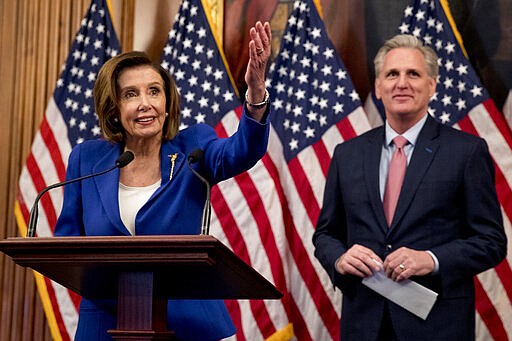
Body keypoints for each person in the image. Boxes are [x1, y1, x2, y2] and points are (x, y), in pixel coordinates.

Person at [54, 21, 272, 341]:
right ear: (114, 109)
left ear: (167, 103)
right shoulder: (87, 160)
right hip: (105, 325)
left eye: (154, 91)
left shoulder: (193, 148)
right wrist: (127, 298)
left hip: (188, 324)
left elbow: (242, 150)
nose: (146, 103)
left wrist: (254, 93)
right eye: (131, 94)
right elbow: (67, 251)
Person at [312, 34, 507, 340]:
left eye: (413, 74)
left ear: (432, 85)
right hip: (364, 325)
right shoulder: (347, 154)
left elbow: (491, 242)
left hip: (438, 326)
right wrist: (339, 258)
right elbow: (325, 234)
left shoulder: (466, 152)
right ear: (378, 86)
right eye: (392, 74)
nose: (401, 83)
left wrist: (430, 259)